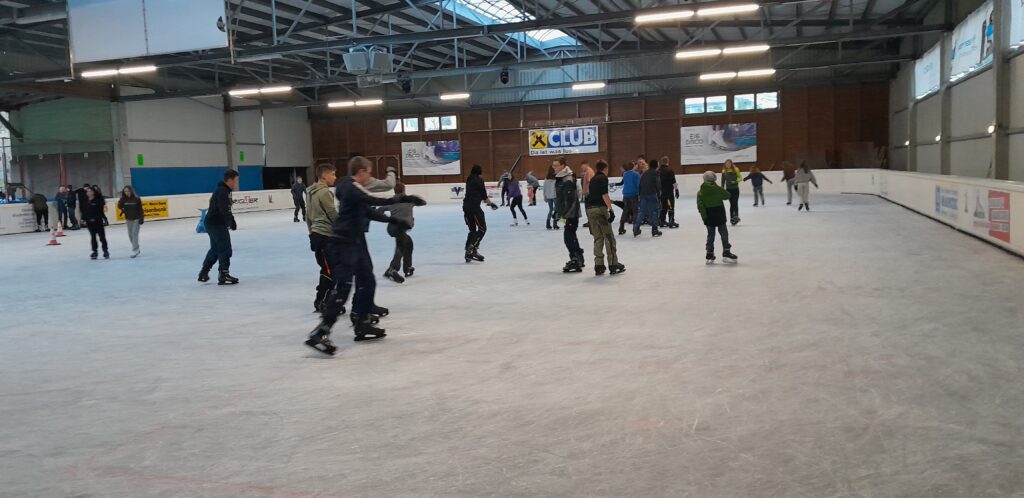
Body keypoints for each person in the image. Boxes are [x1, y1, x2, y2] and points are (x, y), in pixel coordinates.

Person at [305, 157, 425, 355]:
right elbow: (375, 200)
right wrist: (405, 198)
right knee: (344, 287)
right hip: (343, 242)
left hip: (356, 241)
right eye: (368, 172)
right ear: (361, 171)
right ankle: (321, 332)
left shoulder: (352, 190)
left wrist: (394, 219)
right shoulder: (352, 187)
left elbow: (369, 212)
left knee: (368, 280)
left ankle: (362, 322)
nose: (369, 176)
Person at [306, 163, 338, 312]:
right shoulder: (324, 192)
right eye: (333, 174)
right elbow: (332, 215)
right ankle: (323, 301)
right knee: (330, 270)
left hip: (316, 234)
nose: (335, 177)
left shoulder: (310, 192)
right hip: (325, 236)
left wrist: (311, 233)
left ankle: (324, 299)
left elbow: (308, 216)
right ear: (324, 176)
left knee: (326, 268)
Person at [198, 170, 239, 285]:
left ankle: (204, 272)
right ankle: (223, 274)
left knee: (216, 249)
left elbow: (225, 208)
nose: (236, 183)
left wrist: (230, 220)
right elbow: (224, 209)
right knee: (225, 247)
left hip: (212, 223)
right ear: (229, 180)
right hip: (216, 223)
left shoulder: (223, 190)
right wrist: (230, 221)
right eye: (236, 180)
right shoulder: (222, 191)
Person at [585, 160, 625, 275]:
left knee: (598, 238)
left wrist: (613, 202)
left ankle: (599, 265)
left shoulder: (593, 179)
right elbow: (604, 195)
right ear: (605, 169)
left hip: (590, 210)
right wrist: (611, 210)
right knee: (609, 237)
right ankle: (613, 264)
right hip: (600, 211)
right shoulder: (603, 178)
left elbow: (595, 196)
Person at [697, 171, 738, 264]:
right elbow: (727, 195)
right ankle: (726, 251)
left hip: (709, 216)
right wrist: (718, 187)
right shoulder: (717, 189)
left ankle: (709, 252)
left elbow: (700, 207)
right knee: (724, 233)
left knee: (710, 235)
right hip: (719, 215)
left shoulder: (700, 192)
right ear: (714, 179)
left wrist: (705, 218)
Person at [380, 182, 416, 284]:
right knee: (402, 245)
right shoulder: (409, 201)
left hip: (392, 228)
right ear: (404, 190)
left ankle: (407, 268)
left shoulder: (392, 201)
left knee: (408, 243)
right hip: (399, 228)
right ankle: (392, 269)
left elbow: (380, 210)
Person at [463, 164, 498, 262]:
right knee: (482, 229)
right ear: (480, 172)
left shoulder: (469, 179)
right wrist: (491, 204)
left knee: (472, 230)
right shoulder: (479, 180)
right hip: (474, 208)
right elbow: (484, 196)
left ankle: (469, 252)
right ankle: (472, 248)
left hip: (466, 207)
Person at [555, 157, 584, 272]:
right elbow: (561, 199)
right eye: (553, 165)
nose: (554, 167)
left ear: (562, 166)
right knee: (571, 235)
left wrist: (564, 215)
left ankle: (575, 259)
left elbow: (570, 200)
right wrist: (558, 211)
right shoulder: (562, 177)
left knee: (568, 237)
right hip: (569, 213)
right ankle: (578, 258)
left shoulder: (567, 179)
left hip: (571, 213)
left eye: (556, 165)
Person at [634, 159, 662, 238]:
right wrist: (659, 195)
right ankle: (654, 229)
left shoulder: (645, 173)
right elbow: (657, 184)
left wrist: (640, 195)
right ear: (656, 165)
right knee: (655, 211)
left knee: (642, 211)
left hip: (643, 194)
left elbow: (640, 184)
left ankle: (636, 228)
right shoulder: (656, 172)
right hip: (652, 194)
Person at [82, 186, 109, 260]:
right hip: (89, 222)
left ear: (93, 192)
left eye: (90, 191)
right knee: (93, 237)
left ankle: (105, 250)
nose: (88, 193)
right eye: (87, 191)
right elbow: (84, 211)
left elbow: (101, 212)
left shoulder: (98, 200)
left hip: (98, 222)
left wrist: (104, 219)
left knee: (102, 237)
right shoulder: (85, 201)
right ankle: (94, 251)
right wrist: (83, 219)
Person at [117, 185, 144, 258]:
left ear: (131, 191)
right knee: (130, 235)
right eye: (125, 191)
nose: (126, 192)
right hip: (128, 219)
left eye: (128, 191)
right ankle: (137, 248)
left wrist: (141, 218)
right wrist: (121, 200)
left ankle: (135, 250)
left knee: (134, 234)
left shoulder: (136, 199)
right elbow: (119, 206)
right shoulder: (123, 199)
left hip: (136, 218)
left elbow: (140, 209)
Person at [617, 161, 640, 235]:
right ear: (633, 166)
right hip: (633, 194)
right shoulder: (636, 174)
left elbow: (623, 183)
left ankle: (621, 227)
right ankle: (635, 228)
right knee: (635, 211)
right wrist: (640, 194)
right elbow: (638, 185)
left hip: (626, 195)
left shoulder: (625, 174)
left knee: (625, 210)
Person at [658, 157, 680, 229]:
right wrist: (676, 190)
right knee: (670, 206)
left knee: (663, 207)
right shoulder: (670, 170)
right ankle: (671, 221)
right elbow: (673, 181)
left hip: (661, 192)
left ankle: (662, 221)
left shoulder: (658, 170)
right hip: (669, 192)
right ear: (668, 161)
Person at [721, 159, 743, 225]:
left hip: (735, 189)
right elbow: (723, 182)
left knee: (735, 202)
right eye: (726, 163)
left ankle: (736, 216)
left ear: (731, 163)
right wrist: (722, 190)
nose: (728, 164)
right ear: (725, 164)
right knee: (732, 204)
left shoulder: (736, 169)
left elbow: (740, 178)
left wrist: (736, 181)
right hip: (728, 190)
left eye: (729, 163)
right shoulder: (724, 171)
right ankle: (732, 218)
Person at [543, 164, 560, 230]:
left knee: (550, 210)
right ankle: (555, 224)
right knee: (556, 210)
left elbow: (544, 189)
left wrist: (545, 197)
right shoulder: (556, 178)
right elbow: (557, 188)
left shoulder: (546, 179)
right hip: (555, 196)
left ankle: (548, 224)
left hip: (548, 196)